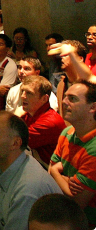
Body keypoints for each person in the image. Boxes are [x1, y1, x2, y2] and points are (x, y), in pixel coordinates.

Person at [50, 81, 96, 226]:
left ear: (93, 107)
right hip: (61, 213)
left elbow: (76, 203)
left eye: (72, 98)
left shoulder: (94, 150)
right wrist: (65, 180)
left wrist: (56, 173)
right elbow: (48, 176)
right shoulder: (67, 132)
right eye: (65, 97)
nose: (64, 102)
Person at [19, 75, 67, 166]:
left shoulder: (49, 122)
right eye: (22, 91)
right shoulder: (30, 113)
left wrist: (15, 116)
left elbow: (13, 142)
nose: (23, 96)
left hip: (52, 173)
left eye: (29, 93)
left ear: (44, 99)